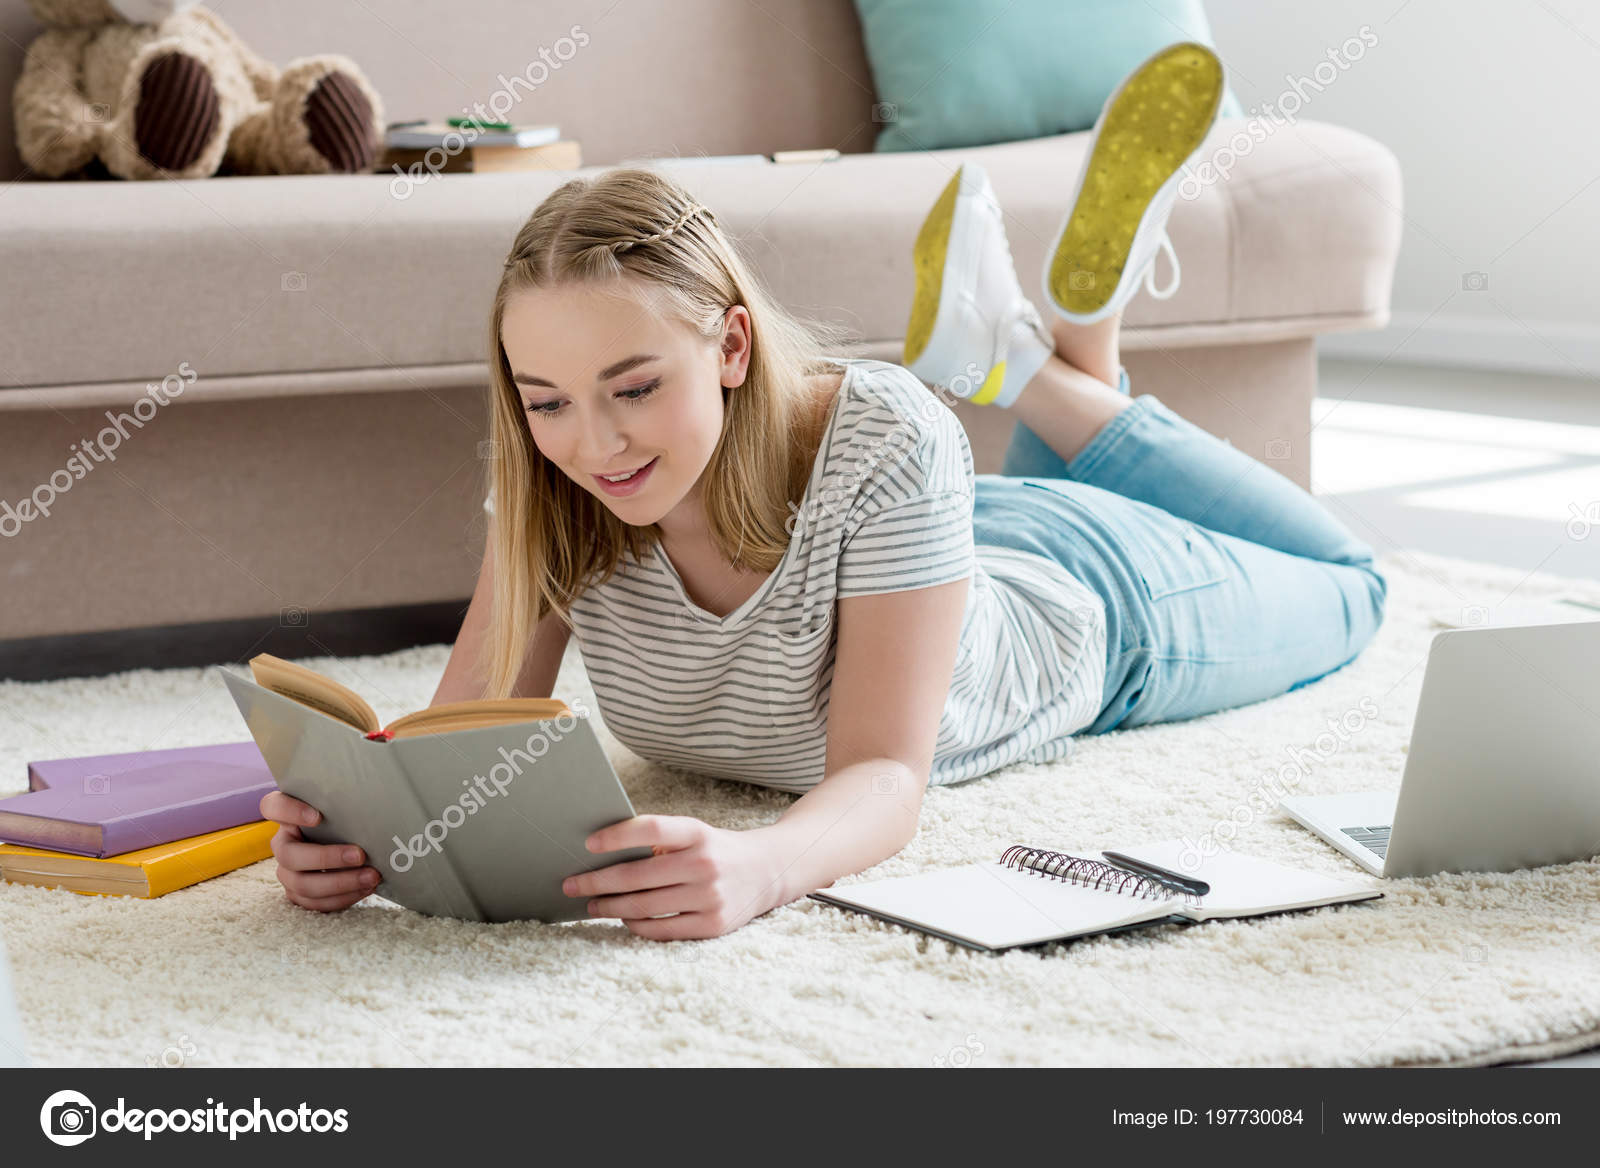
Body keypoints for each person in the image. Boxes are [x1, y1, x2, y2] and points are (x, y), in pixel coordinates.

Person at [260, 43, 1385, 938]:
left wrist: (761, 864)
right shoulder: (553, 471)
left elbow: (886, 774)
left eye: (634, 386)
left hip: (1104, 610)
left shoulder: (889, 438)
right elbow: (459, 744)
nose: (591, 443)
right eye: (545, 398)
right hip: (931, 557)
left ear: (734, 348)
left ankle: (1036, 368)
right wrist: (367, 833)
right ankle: (1052, 352)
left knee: (1357, 585)